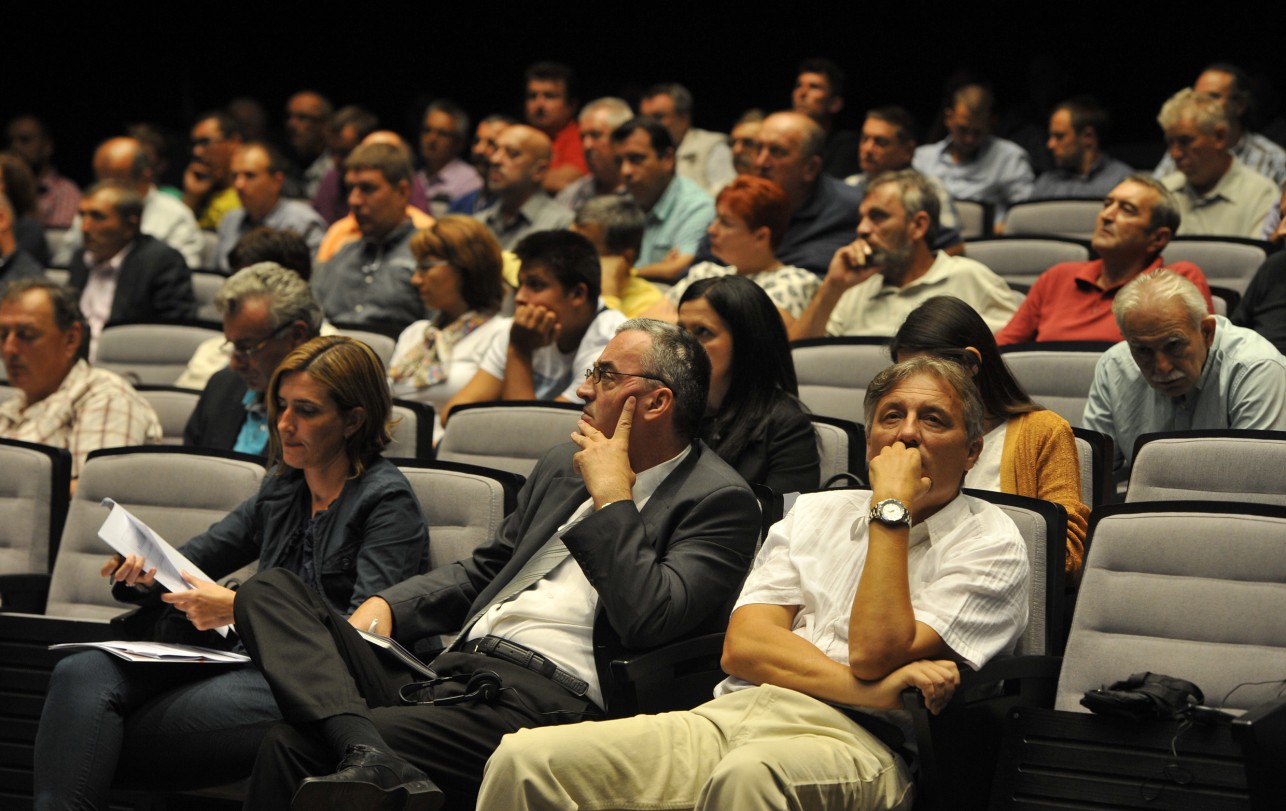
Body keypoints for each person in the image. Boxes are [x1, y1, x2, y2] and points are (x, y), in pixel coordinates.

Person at [227, 319, 760, 810]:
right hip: (452, 674)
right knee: (270, 591)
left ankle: (368, 750)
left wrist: (613, 498)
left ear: (656, 401)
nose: (582, 389)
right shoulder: (561, 465)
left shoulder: (719, 501)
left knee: (293, 743)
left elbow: (649, 617)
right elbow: (490, 569)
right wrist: (390, 603)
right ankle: (368, 751)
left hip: (551, 703)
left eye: (604, 375)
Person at [477, 355, 1029, 811]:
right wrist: (878, 690)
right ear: (869, 439)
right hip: (729, 716)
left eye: (933, 419)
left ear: (973, 449)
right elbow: (745, 648)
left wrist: (891, 509)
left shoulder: (992, 543)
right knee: (525, 758)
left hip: (857, 744)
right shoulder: (816, 512)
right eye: (891, 416)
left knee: (750, 776)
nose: (907, 433)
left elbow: (872, 650)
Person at [32, 336, 431, 810]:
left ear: (353, 420)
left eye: (305, 410)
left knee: (90, 733)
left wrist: (240, 609)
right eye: (280, 406)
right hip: (239, 663)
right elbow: (194, 558)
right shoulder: (282, 488)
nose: (284, 424)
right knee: (81, 671)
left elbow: (362, 643)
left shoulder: (387, 502)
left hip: (315, 685)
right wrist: (144, 571)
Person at [891, 295, 1089, 578]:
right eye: (904, 375)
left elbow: (1066, 556)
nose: (915, 388)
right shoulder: (902, 434)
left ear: (970, 363)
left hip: (998, 587)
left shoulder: (1043, 432)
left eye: (929, 374)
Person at [1083, 269, 1286, 474]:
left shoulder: (1256, 368)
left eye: (1174, 345)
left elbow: (1255, 483)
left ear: (1207, 332)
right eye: (1143, 350)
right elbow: (1092, 475)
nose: (1162, 367)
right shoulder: (1114, 367)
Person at [790, 169, 1016, 339]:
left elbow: (1011, 360)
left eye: (877, 216)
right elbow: (802, 361)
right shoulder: (853, 290)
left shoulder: (971, 277)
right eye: (862, 218)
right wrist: (832, 287)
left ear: (918, 226)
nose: (862, 229)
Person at [996, 175, 1212, 345]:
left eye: (1127, 210)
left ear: (1157, 238)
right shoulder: (1057, 277)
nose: (1107, 215)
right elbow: (1002, 348)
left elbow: (1198, 357)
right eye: (1107, 204)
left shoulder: (1177, 280)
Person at [445, 229, 626, 414]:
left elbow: (530, 433)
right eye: (520, 285)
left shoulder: (612, 347)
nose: (520, 298)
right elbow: (454, 414)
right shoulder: (521, 331)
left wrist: (520, 350)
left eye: (536, 285)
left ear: (577, 294)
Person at [0, 279, 161, 482]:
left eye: (26, 335)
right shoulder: (12, 405)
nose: (9, 349)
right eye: (3, 335)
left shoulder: (106, 397)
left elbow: (95, 493)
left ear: (71, 339)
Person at [678, 275, 819, 493]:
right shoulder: (668, 406)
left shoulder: (786, 426)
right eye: (681, 330)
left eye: (703, 332)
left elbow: (788, 516)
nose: (683, 345)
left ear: (745, 342)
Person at [388, 217, 508, 443]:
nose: (415, 280)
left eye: (425, 268)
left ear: (466, 266)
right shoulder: (416, 332)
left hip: (451, 456)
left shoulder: (501, 333)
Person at [183, 262, 324, 454]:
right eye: (233, 346)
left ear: (297, 336)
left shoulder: (329, 411)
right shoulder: (221, 388)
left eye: (247, 347)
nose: (234, 364)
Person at [649, 175, 819, 328]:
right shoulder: (706, 272)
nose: (712, 230)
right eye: (716, 218)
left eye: (726, 223)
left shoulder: (792, 282)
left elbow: (759, 342)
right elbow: (646, 321)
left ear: (761, 236)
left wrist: (677, 322)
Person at [1157, 87, 1278, 238]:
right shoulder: (1163, 193)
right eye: (1170, 143)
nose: (1174, 154)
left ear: (1219, 137)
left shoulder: (1261, 195)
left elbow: (1258, 260)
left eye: (1185, 141)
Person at [611, 117, 715, 282]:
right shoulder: (619, 202)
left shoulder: (697, 207)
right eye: (619, 161)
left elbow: (678, 268)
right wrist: (656, 269)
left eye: (636, 159)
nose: (625, 171)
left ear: (667, 159)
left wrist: (624, 273)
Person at [912, 84, 1034, 224]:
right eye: (962, 130)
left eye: (978, 132)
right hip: (932, 240)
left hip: (987, 242)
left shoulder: (1010, 158)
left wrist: (1003, 229)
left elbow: (1024, 214)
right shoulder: (922, 158)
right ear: (948, 118)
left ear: (991, 123)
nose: (969, 139)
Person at [1031, 96, 1134, 201]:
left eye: (1059, 136)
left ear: (1087, 136)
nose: (1050, 144)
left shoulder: (1123, 181)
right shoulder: (1045, 183)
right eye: (1051, 136)